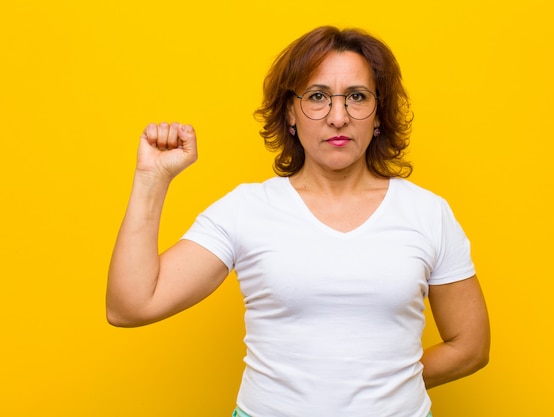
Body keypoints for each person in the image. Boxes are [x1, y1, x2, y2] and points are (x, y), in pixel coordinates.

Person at [107, 26, 490, 417]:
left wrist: (387, 381)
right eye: (318, 97)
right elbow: (131, 307)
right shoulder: (246, 209)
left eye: (357, 97)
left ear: (378, 114)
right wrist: (151, 181)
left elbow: (470, 346)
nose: (338, 117)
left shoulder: (427, 213)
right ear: (290, 112)